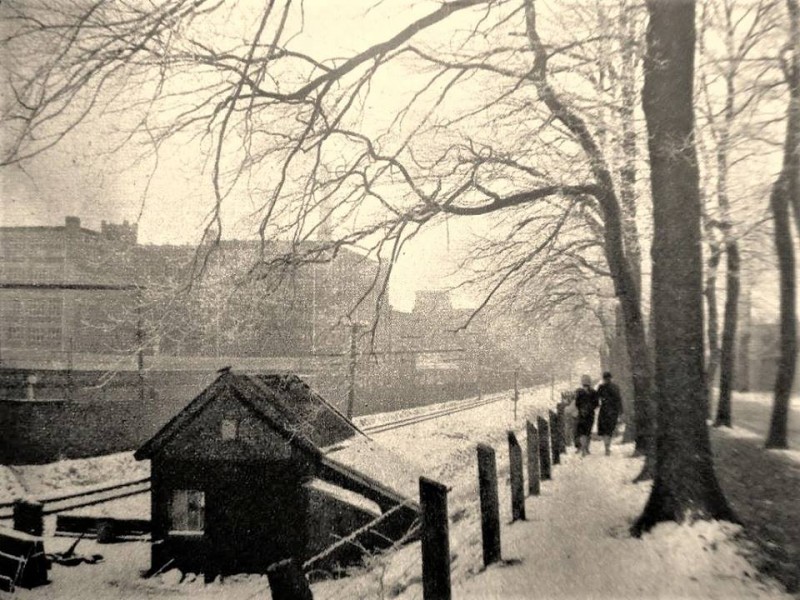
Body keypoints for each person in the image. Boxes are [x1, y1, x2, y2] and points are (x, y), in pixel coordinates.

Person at [597, 371, 623, 456]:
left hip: (604, 410)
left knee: (605, 430)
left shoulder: (601, 387)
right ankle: (607, 447)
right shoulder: (615, 387)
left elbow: (597, 398)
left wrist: (599, 404)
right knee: (610, 429)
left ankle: (606, 447)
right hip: (613, 411)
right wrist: (620, 410)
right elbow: (618, 399)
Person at [574, 374, 599, 457]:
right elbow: (596, 404)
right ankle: (587, 448)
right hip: (590, 415)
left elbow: (577, 403)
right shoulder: (594, 392)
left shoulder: (579, 392)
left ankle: (584, 449)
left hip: (581, 414)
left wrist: (581, 409)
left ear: (582, 382)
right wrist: (590, 408)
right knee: (588, 432)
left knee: (581, 432)